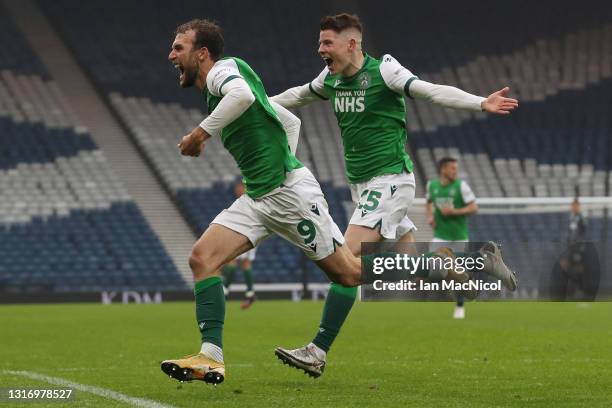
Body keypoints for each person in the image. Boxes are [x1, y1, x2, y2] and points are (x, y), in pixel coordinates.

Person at [271, 13, 518, 376]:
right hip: (363, 187)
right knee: (411, 270)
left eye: (327, 43)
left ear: (351, 44)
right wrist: (253, 103)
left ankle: (317, 350)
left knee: (345, 257)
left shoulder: (384, 70)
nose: (319, 49)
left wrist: (480, 102)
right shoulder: (331, 79)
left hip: (390, 182)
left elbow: (431, 91)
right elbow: (297, 95)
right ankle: (479, 264)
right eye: (320, 42)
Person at [426, 157, 478, 319]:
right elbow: (428, 202)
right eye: (453, 168)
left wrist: (454, 212)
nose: (456, 171)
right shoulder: (432, 186)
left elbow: (474, 207)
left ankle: (460, 306)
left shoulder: (461, 186)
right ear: (443, 169)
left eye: (456, 168)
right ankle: (440, 297)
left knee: (457, 274)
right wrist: (430, 217)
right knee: (433, 267)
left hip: (458, 238)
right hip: (440, 237)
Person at [222, 181, 257, 309]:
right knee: (243, 263)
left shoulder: (249, 199)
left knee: (235, 262)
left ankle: (224, 292)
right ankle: (249, 294)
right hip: (247, 232)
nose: (237, 189)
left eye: (240, 187)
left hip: (246, 232)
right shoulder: (245, 200)